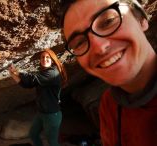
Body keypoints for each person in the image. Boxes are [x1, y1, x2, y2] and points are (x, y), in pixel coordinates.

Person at [61, 0, 157, 146]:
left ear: (141, 19)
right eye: (79, 43)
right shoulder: (109, 104)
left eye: (108, 22)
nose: (99, 47)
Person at [9, 49, 67, 146]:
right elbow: (28, 84)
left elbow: (32, 78)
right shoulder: (43, 73)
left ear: (52, 60)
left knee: (52, 142)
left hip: (52, 115)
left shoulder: (53, 72)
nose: (45, 59)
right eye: (42, 57)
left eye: (47, 57)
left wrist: (17, 72)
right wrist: (12, 74)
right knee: (33, 134)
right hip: (41, 113)